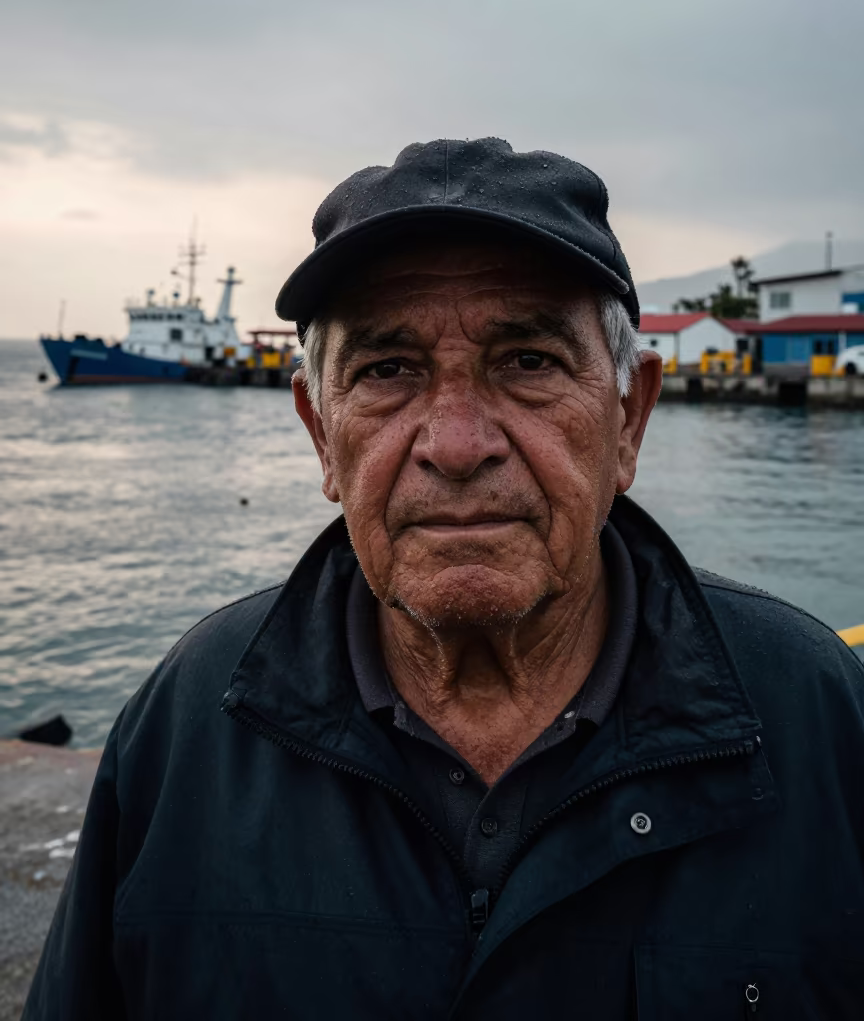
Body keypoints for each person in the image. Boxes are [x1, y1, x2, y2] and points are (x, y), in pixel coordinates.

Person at [25, 139, 864, 1019]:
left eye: (528, 363)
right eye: (388, 371)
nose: (458, 445)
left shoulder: (813, 714)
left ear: (629, 417)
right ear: (322, 433)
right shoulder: (188, 725)